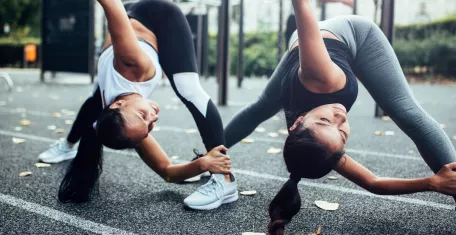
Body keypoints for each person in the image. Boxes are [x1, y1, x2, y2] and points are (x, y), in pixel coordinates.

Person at [222, 0, 456, 233]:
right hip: (303, 51)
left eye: (325, 121)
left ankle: (210, 153)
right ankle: (209, 158)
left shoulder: (321, 77)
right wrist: (432, 183)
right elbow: (373, 183)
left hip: (355, 36)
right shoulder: (321, 147)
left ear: (297, 122)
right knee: (262, 107)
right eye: (343, 134)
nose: (340, 117)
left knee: (406, 112)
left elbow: (301, 5)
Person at [38, 0, 237, 207]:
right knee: (95, 100)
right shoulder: (129, 127)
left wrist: (214, 165)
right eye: (149, 126)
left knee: (188, 89)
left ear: (117, 104)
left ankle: (224, 181)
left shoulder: (131, 64)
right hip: (133, 16)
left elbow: (111, 3)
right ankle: (68, 146)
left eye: (144, 116)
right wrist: (202, 163)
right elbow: (167, 172)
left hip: (159, 16)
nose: (154, 117)